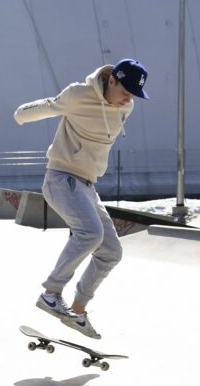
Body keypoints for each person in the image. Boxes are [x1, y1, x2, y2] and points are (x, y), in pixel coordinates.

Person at [14, 58, 149, 339]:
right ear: (111, 80)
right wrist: (21, 114)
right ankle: (51, 293)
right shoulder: (78, 95)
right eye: (125, 92)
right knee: (90, 234)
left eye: (133, 96)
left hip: (87, 186)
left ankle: (77, 311)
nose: (127, 100)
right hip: (62, 178)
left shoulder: (127, 107)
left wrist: (124, 101)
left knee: (112, 252)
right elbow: (50, 106)